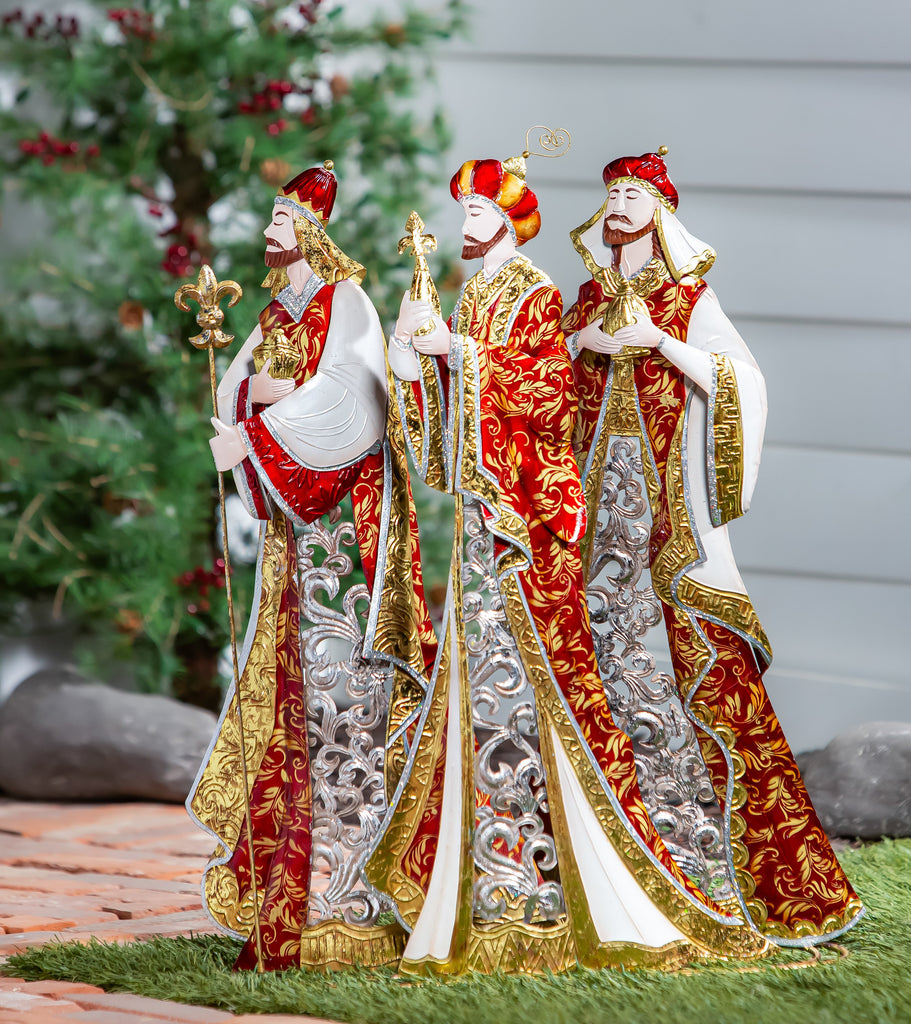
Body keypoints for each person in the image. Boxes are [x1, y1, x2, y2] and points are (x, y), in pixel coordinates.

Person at [367, 153, 769, 976]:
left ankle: (569, 875)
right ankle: (495, 880)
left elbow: (542, 394)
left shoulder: (539, 292)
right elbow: (475, 411)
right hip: (499, 514)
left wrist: (462, 356)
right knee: (486, 688)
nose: (465, 225)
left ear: (512, 220)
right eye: (464, 212)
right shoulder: (519, 295)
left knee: (554, 679)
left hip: (550, 517)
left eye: (480, 212)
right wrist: (417, 357)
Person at [561, 148, 864, 945]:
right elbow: (551, 389)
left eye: (634, 195)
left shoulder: (689, 296)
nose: (619, 206)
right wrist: (584, 340)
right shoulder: (587, 299)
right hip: (596, 532)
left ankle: (760, 883)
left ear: (660, 213)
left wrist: (659, 342)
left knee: (707, 678)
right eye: (612, 194)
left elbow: (741, 382)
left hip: (670, 535)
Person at [187, 161, 437, 971]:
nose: (271, 230)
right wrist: (245, 407)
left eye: (283, 218)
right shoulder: (273, 312)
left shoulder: (346, 301)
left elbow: (351, 399)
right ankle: (299, 879)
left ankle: (359, 886)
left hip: (345, 531)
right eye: (272, 217)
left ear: (312, 231)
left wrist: (262, 424)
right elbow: (238, 387)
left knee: (348, 697)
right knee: (297, 692)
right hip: (296, 541)